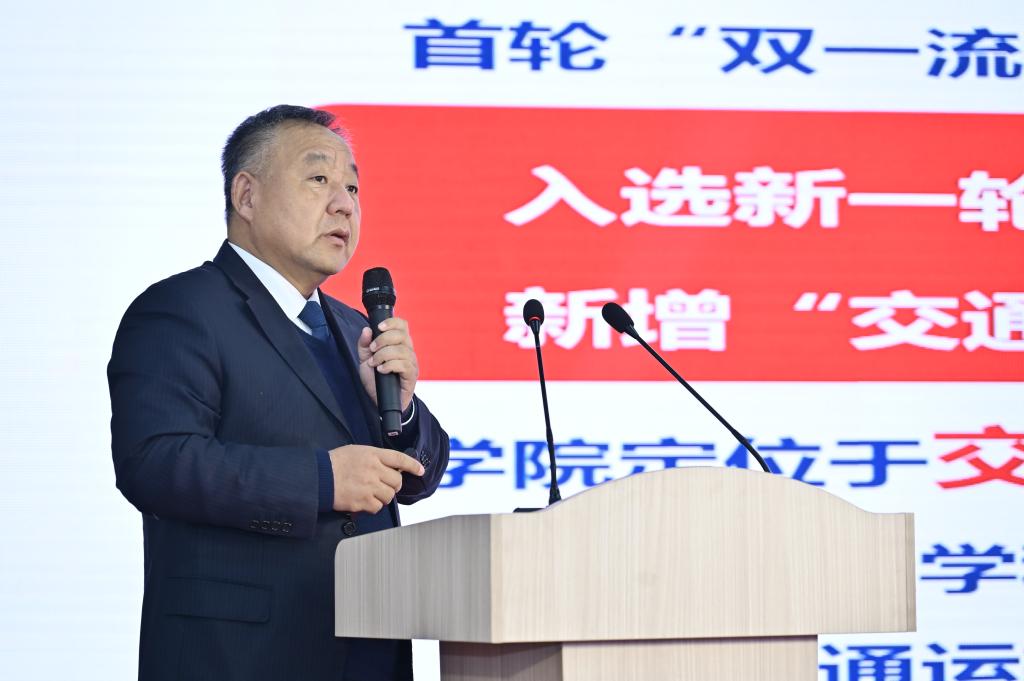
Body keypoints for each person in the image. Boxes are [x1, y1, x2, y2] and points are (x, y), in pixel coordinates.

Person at [108, 105, 450, 681]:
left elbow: (421, 476)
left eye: (352, 187)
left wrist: (403, 406)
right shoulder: (181, 309)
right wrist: (322, 480)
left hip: (367, 647)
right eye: (319, 178)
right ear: (246, 196)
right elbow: (155, 463)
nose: (344, 204)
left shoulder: (353, 327)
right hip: (240, 656)